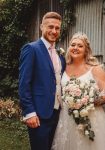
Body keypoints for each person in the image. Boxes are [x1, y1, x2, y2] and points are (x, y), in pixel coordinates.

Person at [52, 32, 105, 150]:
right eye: (73, 45)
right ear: (69, 48)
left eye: (80, 46)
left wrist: (87, 102)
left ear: (86, 50)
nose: (75, 48)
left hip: (90, 118)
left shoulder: (95, 69)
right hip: (68, 118)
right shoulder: (63, 66)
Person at [19, 12, 66, 150]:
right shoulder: (31, 49)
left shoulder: (60, 54)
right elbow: (24, 84)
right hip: (39, 114)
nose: (54, 31)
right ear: (41, 27)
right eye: (50, 27)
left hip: (57, 113)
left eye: (57, 28)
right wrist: (29, 113)